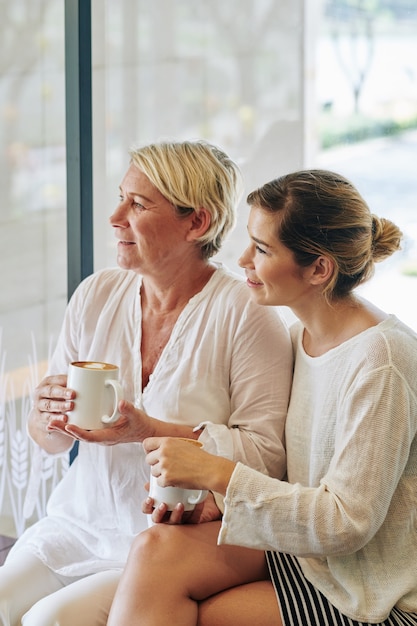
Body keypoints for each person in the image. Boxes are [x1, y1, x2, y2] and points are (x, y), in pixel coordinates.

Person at [0, 140, 293, 626]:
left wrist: (147, 429)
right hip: (77, 522)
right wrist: (43, 415)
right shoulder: (96, 294)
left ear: (197, 222)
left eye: (138, 205)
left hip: (165, 542)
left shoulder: (245, 315)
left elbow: (267, 456)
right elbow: (48, 440)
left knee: (47, 620)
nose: (115, 216)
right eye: (121, 198)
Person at [107, 168, 417, 626]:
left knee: (207, 614)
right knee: (155, 548)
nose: (244, 259)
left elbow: (346, 522)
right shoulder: (298, 338)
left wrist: (221, 473)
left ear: (319, 269)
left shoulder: (382, 361)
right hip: (305, 555)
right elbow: (298, 479)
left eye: (263, 248)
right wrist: (216, 501)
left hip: (370, 590)